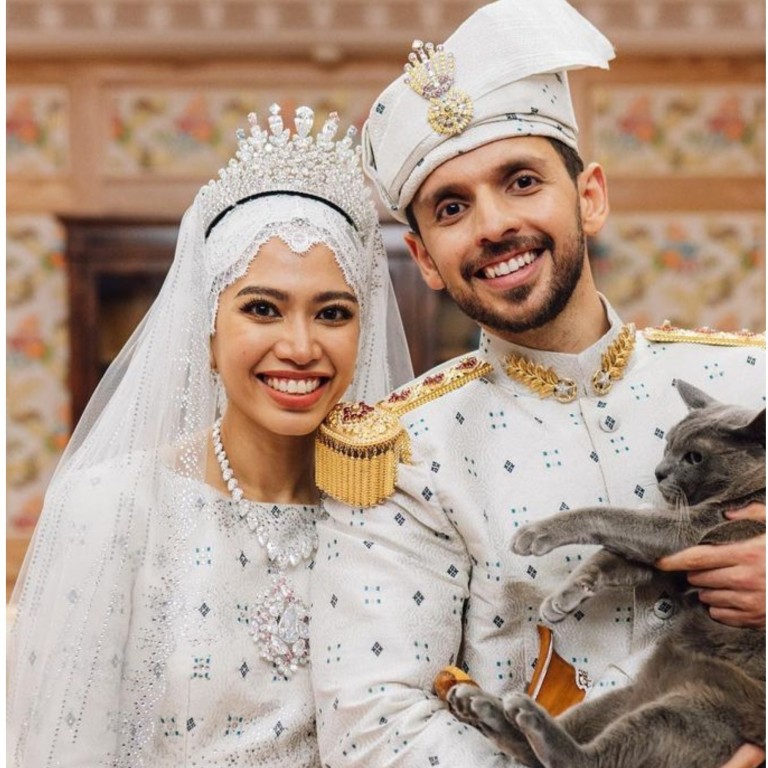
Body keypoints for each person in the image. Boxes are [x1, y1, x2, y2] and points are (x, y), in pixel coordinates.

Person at [308, 2, 766, 767]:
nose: (491, 224)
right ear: (423, 258)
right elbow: (374, 726)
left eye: (520, 181)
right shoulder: (402, 456)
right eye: (452, 207)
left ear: (590, 197)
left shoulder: (751, 383)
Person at [6, 104, 413, 767]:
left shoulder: (390, 516)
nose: (301, 346)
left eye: (332, 313)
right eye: (261, 308)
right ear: (208, 328)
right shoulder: (113, 506)